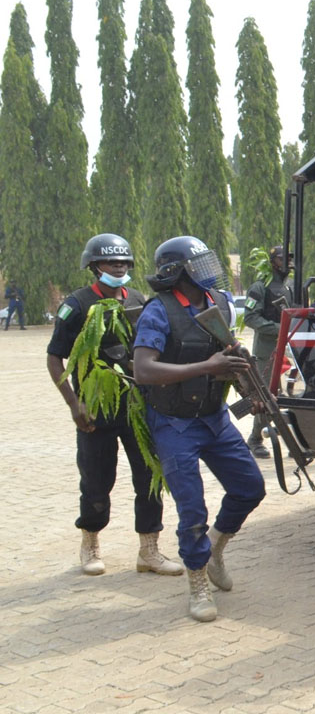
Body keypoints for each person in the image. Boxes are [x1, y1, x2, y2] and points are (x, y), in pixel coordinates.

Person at [132, 236, 266, 622]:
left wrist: (248, 387)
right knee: (192, 508)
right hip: (174, 422)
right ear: (178, 272)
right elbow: (144, 370)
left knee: (249, 488)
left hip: (214, 417)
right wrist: (205, 368)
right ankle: (197, 582)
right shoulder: (159, 311)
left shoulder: (219, 302)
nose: (209, 271)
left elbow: (229, 352)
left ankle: (215, 551)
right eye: (200, 265)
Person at [46, 234, 181, 577]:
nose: (118, 268)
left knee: (149, 477)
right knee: (96, 480)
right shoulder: (76, 306)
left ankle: (149, 550)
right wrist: (74, 405)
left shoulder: (139, 300)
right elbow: (54, 359)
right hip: (95, 411)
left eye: (123, 263)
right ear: (94, 267)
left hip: (138, 407)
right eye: (111, 263)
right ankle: (90, 541)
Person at [243, 245, 295, 458]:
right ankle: (255, 438)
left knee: (290, 394)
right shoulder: (259, 287)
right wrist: (279, 330)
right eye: (284, 259)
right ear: (273, 261)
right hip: (267, 350)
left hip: (289, 347)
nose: (289, 264)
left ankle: (298, 440)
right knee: (267, 395)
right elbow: (250, 317)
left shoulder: (290, 286)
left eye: (290, 259)